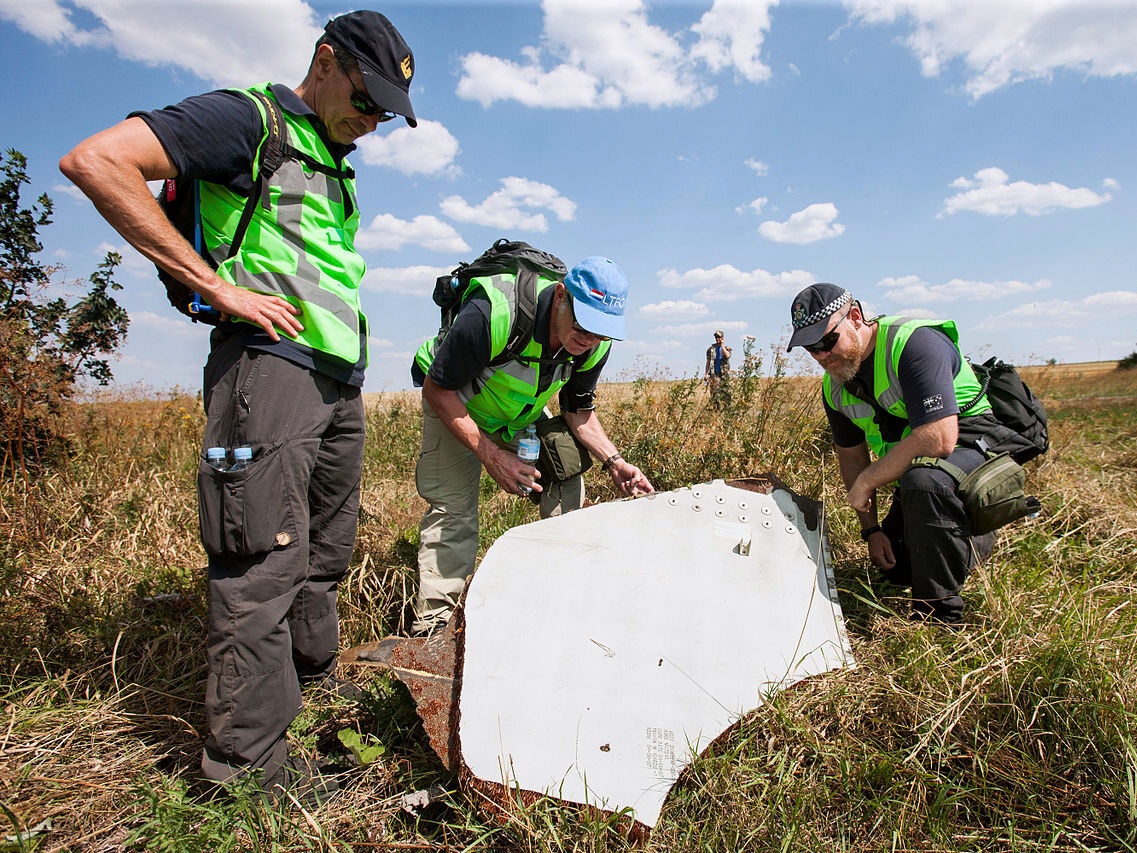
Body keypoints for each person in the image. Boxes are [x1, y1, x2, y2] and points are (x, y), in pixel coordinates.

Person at [60, 10, 418, 800]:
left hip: (334, 378)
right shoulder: (247, 120)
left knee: (323, 554)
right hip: (269, 370)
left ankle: (309, 696)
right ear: (326, 61)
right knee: (262, 561)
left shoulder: (329, 155)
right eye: (367, 100)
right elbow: (97, 161)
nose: (373, 121)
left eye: (386, 114)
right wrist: (215, 284)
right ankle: (247, 776)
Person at [410, 256, 655, 635]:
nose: (588, 339)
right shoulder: (494, 313)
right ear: (561, 296)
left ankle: (559, 592)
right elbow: (437, 388)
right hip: (456, 401)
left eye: (601, 332)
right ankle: (433, 628)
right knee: (455, 511)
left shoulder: (594, 346)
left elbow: (577, 412)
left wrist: (615, 462)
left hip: (516, 415)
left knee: (567, 471)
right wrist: (491, 457)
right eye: (583, 325)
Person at [787, 283, 999, 623]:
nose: (823, 355)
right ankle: (960, 540)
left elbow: (939, 438)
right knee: (898, 568)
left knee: (924, 481)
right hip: (917, 463)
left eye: (827, 341)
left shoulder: (913, 344)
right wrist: (871, 532)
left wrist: (870, 480)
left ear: (854, 317)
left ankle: (938, 615)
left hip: (973, 445)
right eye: (812, 349)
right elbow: (852, 459)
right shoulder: (836, 388)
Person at [703, 329, 733, 407]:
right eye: (716, 337)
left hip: (724, 374)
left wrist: (722, 346)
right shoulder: (711, 349)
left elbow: (727, 356)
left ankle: (727, 410)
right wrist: (706, 374)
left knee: (727, 393)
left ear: (722, 338)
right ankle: (716, 412)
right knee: (715, 395)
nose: (717, 338)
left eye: (719, 337)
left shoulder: (726, 348)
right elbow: (708, 362)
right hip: (714, 374)